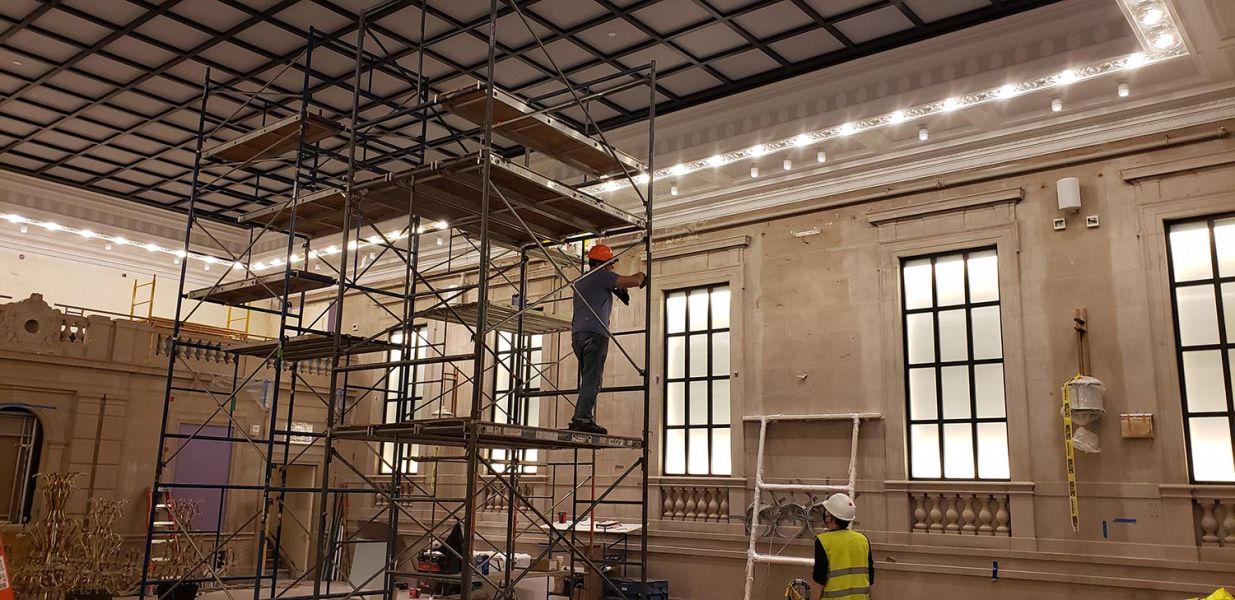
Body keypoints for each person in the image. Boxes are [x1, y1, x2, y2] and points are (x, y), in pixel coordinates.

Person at [568, 243, 645, 434]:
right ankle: (582, 419)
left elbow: (598, 292)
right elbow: (634, 281)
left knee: (588, 378)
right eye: (611, 264)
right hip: (595, 334)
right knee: (593, 380)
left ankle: (581, 417)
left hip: (578, 335)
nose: (612, 267)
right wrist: (642, 275)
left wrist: (615, 288)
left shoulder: (581, 281)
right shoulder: (602, 275)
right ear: (605, 263)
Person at [812, 493, 873, 600]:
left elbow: (819, 580)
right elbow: (870, 578)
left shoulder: (823, 541)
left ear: (829, 517)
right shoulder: (862, 539)